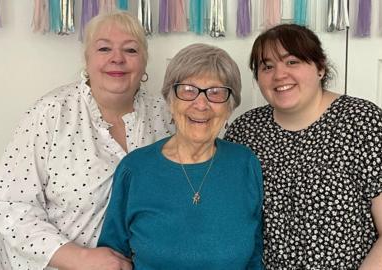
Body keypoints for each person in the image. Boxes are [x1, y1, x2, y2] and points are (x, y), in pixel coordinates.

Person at [224, 24, 382, 269]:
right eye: (267, 67)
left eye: (292, 62)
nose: (279, 75)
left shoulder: (364, 122)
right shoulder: (245, 131)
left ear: (320, 68)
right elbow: (231, 220)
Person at [0, 11, 173, 270]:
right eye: (104, 48)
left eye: (130, 50)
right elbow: (11, 204)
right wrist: (80, 258)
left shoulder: (166, 116)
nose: (117, 58)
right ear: (86, 59)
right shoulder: (51, 112)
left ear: (144, 63)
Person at [97, 43, 264, 269]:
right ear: (170, 101)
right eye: (188, 90)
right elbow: (112, 257)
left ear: (230, 107)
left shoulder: (245, 164)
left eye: (216, 92)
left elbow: (254, 257)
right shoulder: (135, 169)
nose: (201, 104)